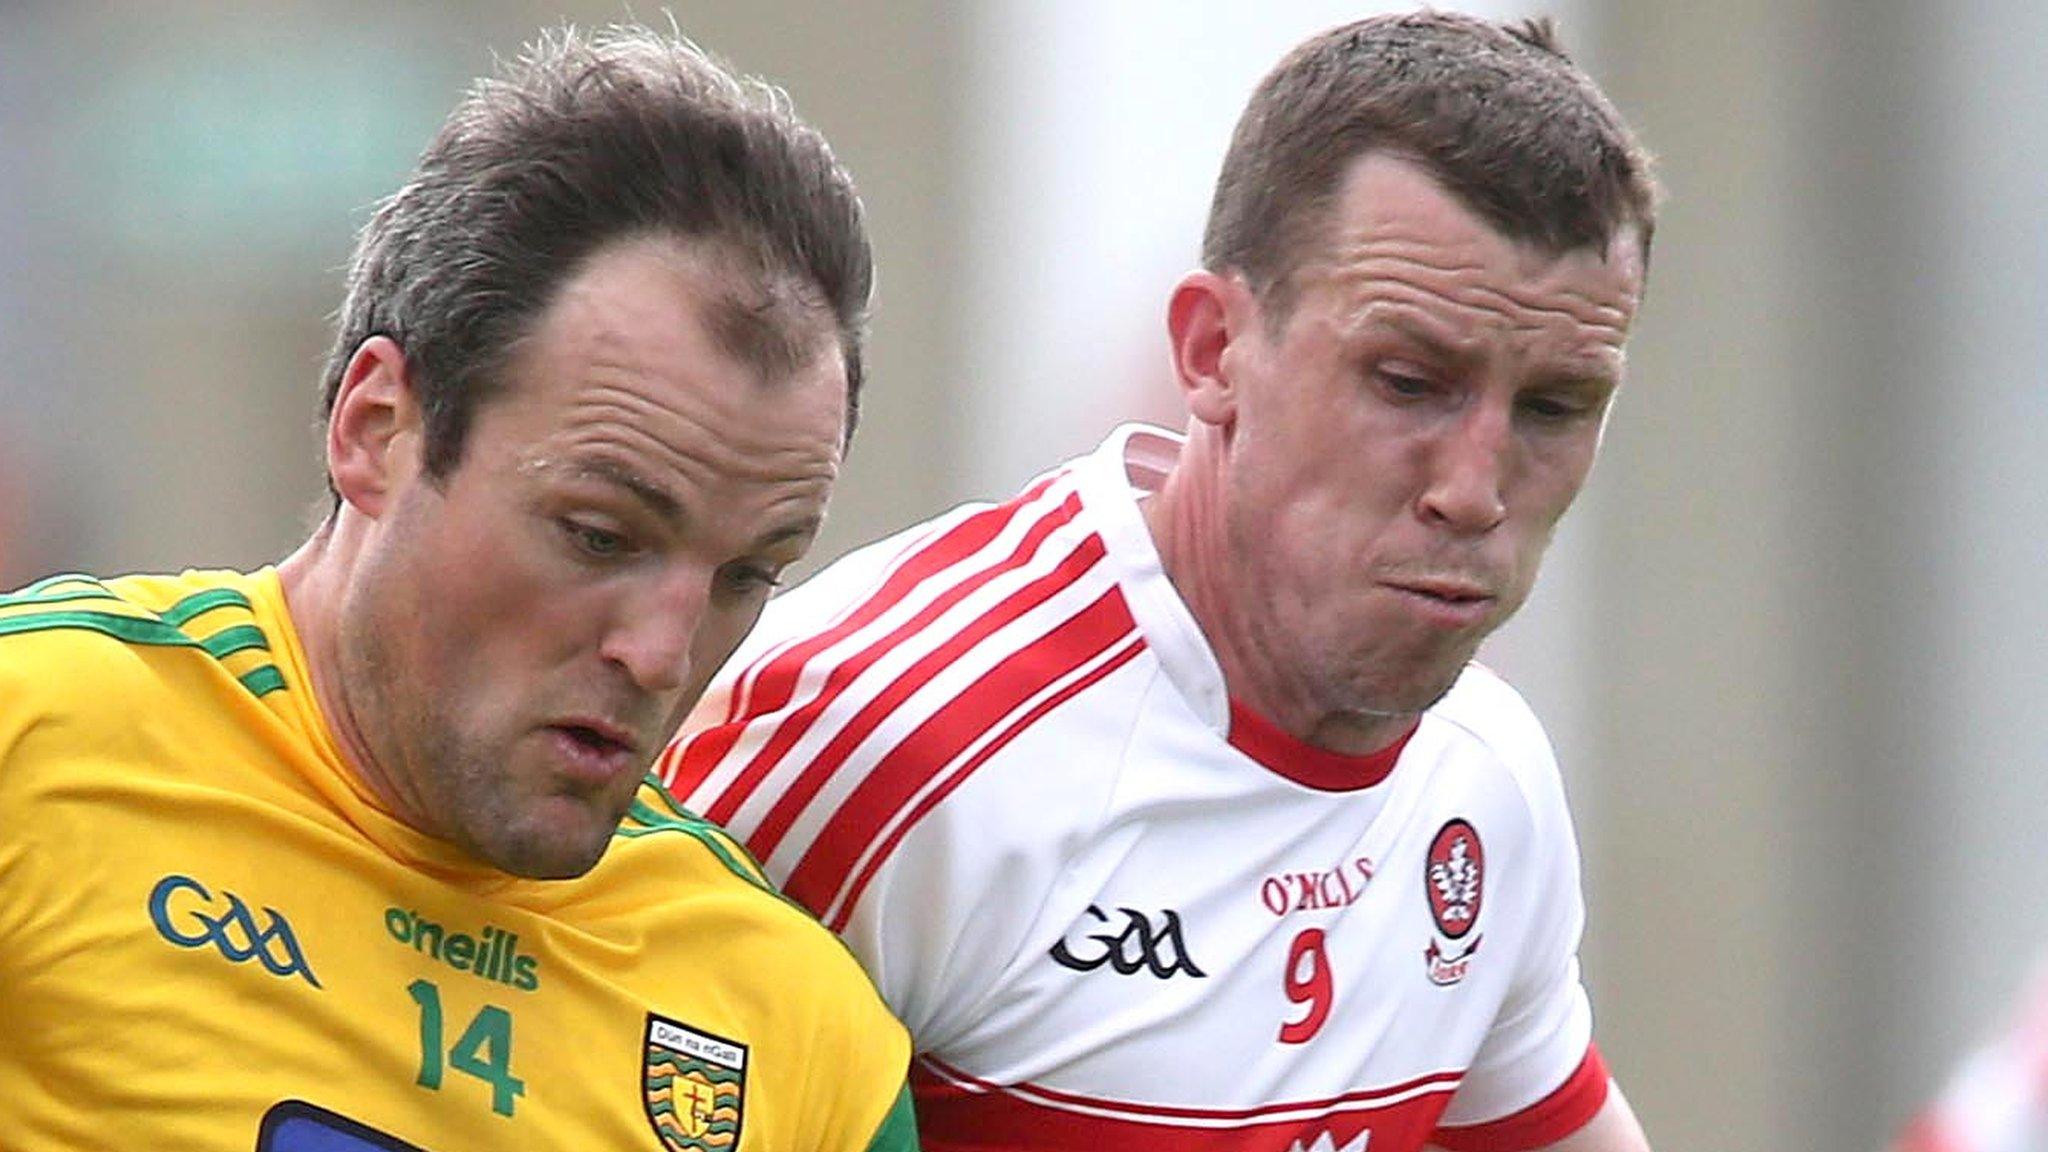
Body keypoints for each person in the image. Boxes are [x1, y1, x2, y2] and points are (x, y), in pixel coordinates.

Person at [660, 11, 1659, 1152]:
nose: (1474, 490)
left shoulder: (1488, 786)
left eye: (1552, 408)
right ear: (1210, 353)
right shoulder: (878, 734)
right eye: (1406, 382)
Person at [0, 24, 917, 1152]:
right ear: (376, 429)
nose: (664, 653)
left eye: (746, 574)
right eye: (598, 534)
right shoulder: (36, 749)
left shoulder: (792, 1031)